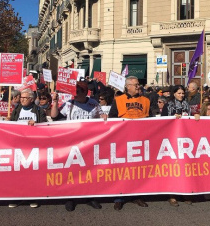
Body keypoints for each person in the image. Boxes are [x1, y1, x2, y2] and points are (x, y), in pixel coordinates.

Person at [51, 80, 105, 211]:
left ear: (85, 92)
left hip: (89, 143)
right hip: (72, 143)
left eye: (78, 91)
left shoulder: (93, 104)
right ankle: (70, 198)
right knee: (72, 171)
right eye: (74, 91)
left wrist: (104, 116)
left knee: (88, 171)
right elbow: (54, 116)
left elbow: (102, 116)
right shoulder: (69, 104)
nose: (75, 94)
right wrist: (54, 100)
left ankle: (89, 197)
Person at [108, 76, 150, 210]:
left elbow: (151, 121)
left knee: (137, 169)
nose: (139, 87)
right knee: (121, 169)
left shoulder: (146, 100)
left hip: (140, 139)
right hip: (123, 140)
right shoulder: (118, 100)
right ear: (128, 87)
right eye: (136, 85)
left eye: (138, 85)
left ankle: (136, 195)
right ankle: (119, 197)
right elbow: (112, 118)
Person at [9, 88, 47, 208]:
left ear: (31, 99)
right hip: (18, 146)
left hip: (33, 146)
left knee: (32, 173)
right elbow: (11, 124)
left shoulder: (39, 111)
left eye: (25, 98)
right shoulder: (17, 110)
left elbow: (45, 126)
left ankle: (32, 196)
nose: (22, 99)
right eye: (21, 97)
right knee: (17, 173)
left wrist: (36, 125)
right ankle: (16, 197)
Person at [161, 85, 191, 206]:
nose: (181, 95)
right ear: (174, 94)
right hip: (171, 139)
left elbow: (190, 119)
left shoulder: (187, 105)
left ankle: (184, 192)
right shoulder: (168, 106)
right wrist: (173, 118)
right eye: (179, 93)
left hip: (184, 139)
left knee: (184, 167)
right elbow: (163, 121)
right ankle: (172, 194)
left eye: (183, 93)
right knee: (173, 167)